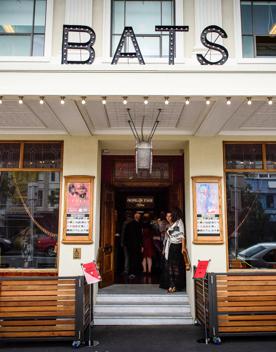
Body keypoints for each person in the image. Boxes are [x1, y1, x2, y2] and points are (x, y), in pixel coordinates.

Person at [163, 208, 186, 293]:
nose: (171, 216)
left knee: (175, 266)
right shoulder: (174, 224)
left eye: (172, 214)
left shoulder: (179, 222)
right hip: (171, 246)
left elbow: (182, 236)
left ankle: (175, 286)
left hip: (177, 246)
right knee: (170, 266)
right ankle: (171, 285)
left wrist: (183, 247)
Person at [124, 212, 143, 279]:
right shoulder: (138, 225)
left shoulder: (128, 224)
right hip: (136, 245)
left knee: (130, 258)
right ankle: (135, 272)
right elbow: (140, 236)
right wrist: (142, 245)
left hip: (129, 245)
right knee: (136, 259)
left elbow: (125, 235)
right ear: (138, 217)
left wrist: (125, 243)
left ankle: (130, 272)